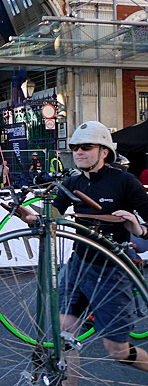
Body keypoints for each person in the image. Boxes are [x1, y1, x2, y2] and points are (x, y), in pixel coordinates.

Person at [18, 121, 148, 379]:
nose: (79, 152)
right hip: (77, 265)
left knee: (118, 351)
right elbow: (53, 213)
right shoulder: (73, 181)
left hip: (111, 271)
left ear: (104, 152)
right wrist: (33, 217)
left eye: (86, 147)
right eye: (75, 147)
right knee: (63, 336)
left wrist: (138, 228)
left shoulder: (125, 182)